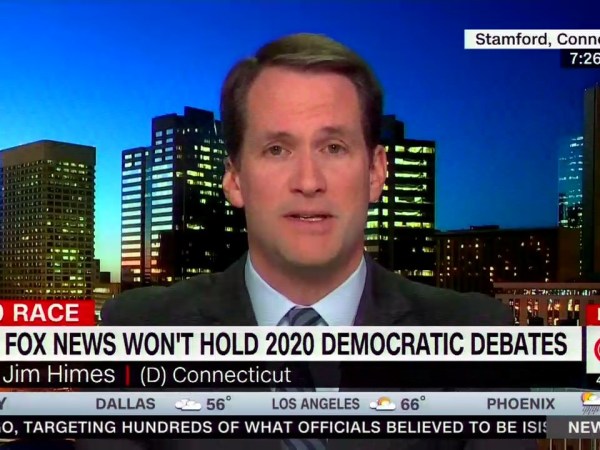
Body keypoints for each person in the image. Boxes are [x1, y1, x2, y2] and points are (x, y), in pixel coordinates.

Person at [76, 33, 536, 450]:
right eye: (277, 149)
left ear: (376, 172)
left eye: (333, 147)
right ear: (235, 179)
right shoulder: (135, 334)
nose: (309, 181)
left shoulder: (477, 338)